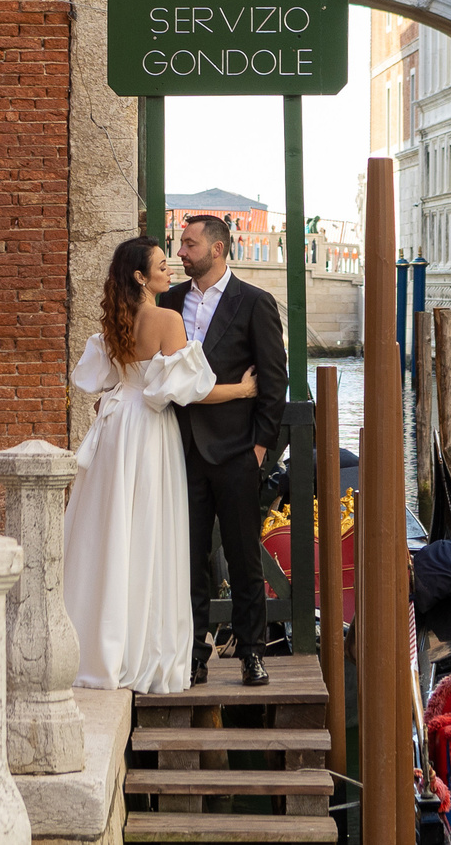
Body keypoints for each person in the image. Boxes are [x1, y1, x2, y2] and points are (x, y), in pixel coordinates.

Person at [59, 235, 260, 692]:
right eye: (160, 265)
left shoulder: (115, 320)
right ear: (140, 276)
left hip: (116, 430)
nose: (170, 270)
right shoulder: (166, 318)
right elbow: (193, 389)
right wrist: (243, 391)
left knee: (109, 532)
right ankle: (140, 648)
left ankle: (95, 643)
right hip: (149, 431)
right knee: (147, 534)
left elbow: (105, 383)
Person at [163, 213, 288, 686]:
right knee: (189, 558)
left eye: (189, 244)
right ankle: (194, 653)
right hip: (182, 450)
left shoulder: (254, 303)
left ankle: (252, 652)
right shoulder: (170, 302)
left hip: (237, 454)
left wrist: (259, 451)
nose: (181, 252)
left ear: (216, 249)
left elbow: (274, 385)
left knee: (243, 558)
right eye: (181, 244)